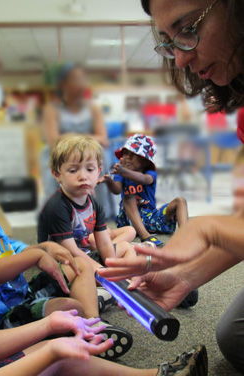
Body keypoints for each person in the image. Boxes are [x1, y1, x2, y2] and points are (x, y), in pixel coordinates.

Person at [0, 139, 209, 376]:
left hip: (8, 316)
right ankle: (96, 317)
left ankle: (155, 370)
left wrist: (42, 260)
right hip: (0, 316)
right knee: (58, 350)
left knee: (64, 342)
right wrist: (49, 345)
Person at [98, 0, 244, 371]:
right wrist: (184, 275)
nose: (179, 59)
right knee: (235, 339)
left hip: (149, 220)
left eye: (188, 28)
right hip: (144, 222)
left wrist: (211, 227)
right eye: (168, 40)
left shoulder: (144, 176)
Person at [0, 135, 133, 361]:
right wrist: (33, 257)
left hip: (23, 296)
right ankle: (86, 327)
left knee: (77, 265)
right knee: (70, 307)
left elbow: (13, 250)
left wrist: (44, 247)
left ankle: (94, 325)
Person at [38, 135, 136, 272]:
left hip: (84, 254)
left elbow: (103, 244)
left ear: (99, 171)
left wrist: (111, 265)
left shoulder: (95, 205)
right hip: (63, 261)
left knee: (126, 247)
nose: (83, 176)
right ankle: (113, 282)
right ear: (57, 174)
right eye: (73, 170)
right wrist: (103, 271)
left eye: (90, 169)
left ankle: (126, 278)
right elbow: (70, 251)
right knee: (90, 271)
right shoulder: (57, 207)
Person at [41, 63, 116, 218]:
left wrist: (74, 140)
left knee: (103, 155)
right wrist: (82, 140)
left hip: (89, 150)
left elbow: (103, 138)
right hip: (61, 151)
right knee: (52, 158)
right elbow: (53, 140)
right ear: (63, 84)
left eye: (83, 79)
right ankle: (58, 212)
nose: (81, 84)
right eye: (75, 79)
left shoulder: (93, 108)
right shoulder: (52, 109)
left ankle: (100, 210)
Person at [100, 134, 188, 247]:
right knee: (129, 196)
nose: (128, 157)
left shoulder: (149, 173)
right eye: (126, 153)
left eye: (134, 154)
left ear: (146, 161)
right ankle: (145, 236)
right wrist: (109, 181)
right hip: (129, 221)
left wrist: (124, 172)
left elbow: (145, 180)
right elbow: (117, 190)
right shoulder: (121, 175)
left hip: (151, 217)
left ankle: (186, 235)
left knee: (180, 201)